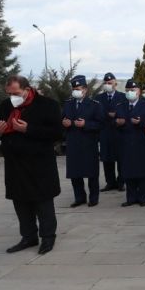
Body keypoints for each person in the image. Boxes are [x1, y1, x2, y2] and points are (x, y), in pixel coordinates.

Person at [0, 75, 62, 254]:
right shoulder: (6, 105)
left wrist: (28, 129)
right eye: (9, 93)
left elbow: (57, 133)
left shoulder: (48, 105)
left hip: (39, 164)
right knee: (20, 201)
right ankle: (28, 236)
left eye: (15, 93)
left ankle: (47, 237)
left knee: (43, 202)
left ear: (26, 89)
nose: (12, 97)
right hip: (15, 164)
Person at [61, 75, 103, 207]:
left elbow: (101, 124)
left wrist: (86, 124)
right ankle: (79, 197)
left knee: (91, 173)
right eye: (74, 88)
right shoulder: (68, 104)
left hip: (88, 143)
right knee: (75, 173)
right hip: (73, 143)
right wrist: (64, 123)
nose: (76, 91)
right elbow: (61, 119)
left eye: (78, 88)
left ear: (85, 90)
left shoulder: (94, 105)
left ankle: (93, 197)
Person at [117, 79, 145, 207]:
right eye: (127, 91)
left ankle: (143, 197)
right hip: (126, 143)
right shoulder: (120, 105)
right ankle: (131, 197)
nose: (130, 93)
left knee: (142, 171)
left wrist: (141, 122)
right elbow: (115, 122)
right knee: (128, 171)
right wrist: (118, 123)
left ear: (138, 92)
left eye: (132, 90)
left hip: (141, 143)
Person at [97, 72, 127, 192]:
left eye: (110, 83)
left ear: (115, 83)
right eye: (106, 83)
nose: (108, 85)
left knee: (120, 159)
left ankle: (121, 182)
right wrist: (108, 115)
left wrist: (117, 116)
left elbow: (126, 112)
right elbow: (97, 114)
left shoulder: (123, 97)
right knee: (107, 159)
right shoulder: (99, 98)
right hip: (105, 132)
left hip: (119, 132)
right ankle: (110, 182)